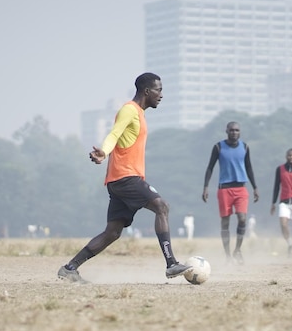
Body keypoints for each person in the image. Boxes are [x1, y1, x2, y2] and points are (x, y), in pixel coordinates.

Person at [57, 73, 192, 283]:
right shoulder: (129, 110)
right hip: (125, 177)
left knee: (112, 233)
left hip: (120, 180)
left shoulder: (139, 113)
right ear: (147, 91)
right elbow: (114, 134)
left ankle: (69, 268)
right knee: (162, 207)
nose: (162, 95)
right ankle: (171, 263)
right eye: (159, 89)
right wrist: (103, 151)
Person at [202, 121, 259, 264]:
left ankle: (237, 250)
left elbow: (249, 168)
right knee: (225, 222)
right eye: (232, 130)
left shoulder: (245, 147)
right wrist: (206, 187)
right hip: (224, 189)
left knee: (242, 218)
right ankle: (227, 255)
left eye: (237, 130)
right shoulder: (218, 147)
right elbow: (210, 168)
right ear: (226, 131)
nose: (234, 132)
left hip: (241, 187)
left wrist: (255, 187)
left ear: (240, 132)